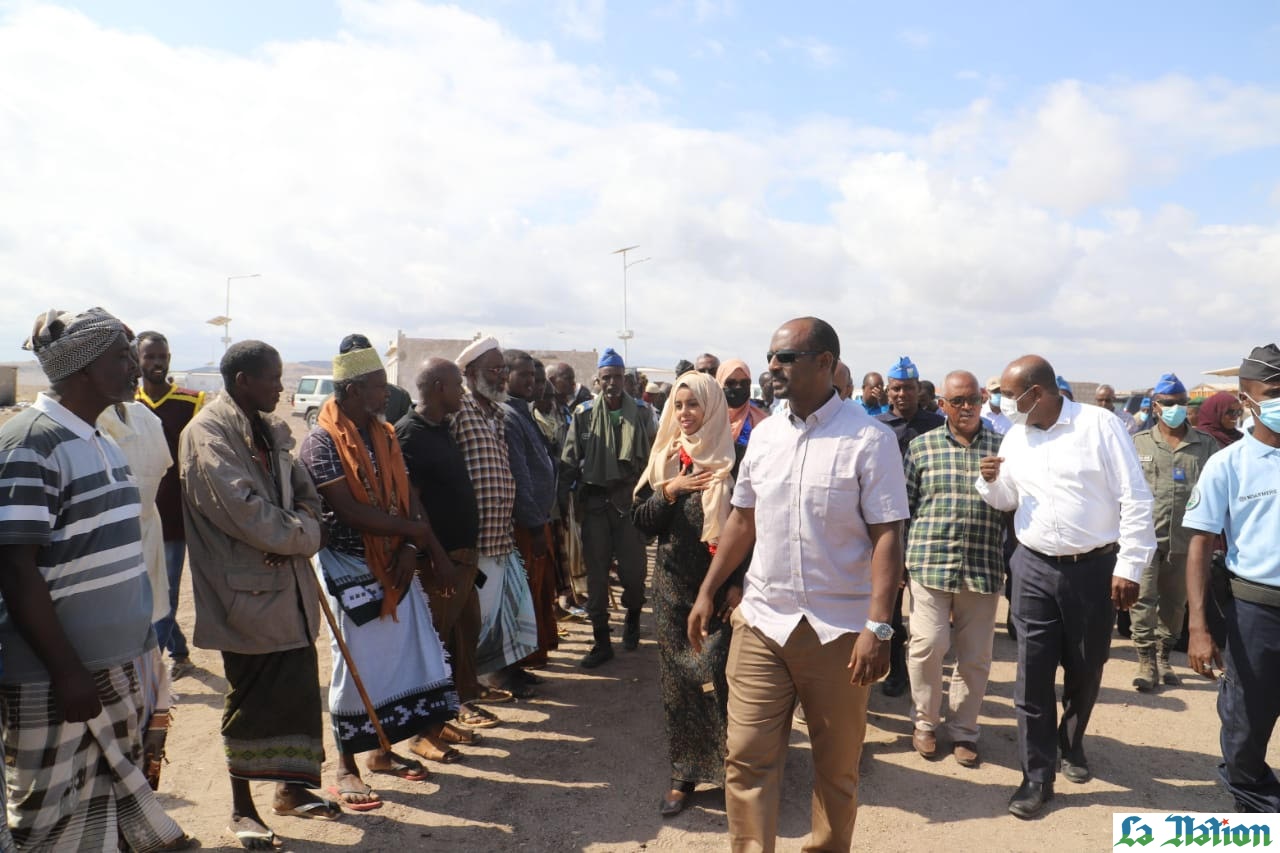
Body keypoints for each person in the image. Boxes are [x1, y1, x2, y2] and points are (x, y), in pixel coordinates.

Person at [688, 317, 908, 852]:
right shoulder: (763, 436)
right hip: (763, 623)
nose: (771, 368)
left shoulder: (869, 440)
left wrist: (879, 626)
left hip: (838, 632)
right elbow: (743, 520)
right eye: (771, 356)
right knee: (745, 758)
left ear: (825, 363)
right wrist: (708, 590)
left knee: (836, 770)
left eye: (784, 357)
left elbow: (887, 537)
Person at [1, 308, 192, 851]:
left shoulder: (103, 440)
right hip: (54, 678)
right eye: (121, 358)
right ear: (83, 370)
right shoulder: (29, 445)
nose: (135, 368)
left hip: (116, 665)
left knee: (103, 819)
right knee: (44, 822)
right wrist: (67, 671)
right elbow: (16, 573)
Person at [977, 355, 1155, 819]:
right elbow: (1008, 500)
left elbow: (1135, 497)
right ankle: (1036, 775)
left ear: (1037, 393)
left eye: (1010, 397)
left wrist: (1130, 566)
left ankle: (1071, 742)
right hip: (1032, 565)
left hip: (1094, 568)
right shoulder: (1016, 436)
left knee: (1086, 665)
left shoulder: (1099, 426)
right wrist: (988, 482)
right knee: (1031, 673)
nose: (1004, 405)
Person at [181, 340, 337, 848]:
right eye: (272, 377)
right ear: (242, 380)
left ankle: (292, 790)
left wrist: (298, 533)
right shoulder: (208, 433)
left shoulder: (270, 430)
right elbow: (245, 512)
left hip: (285, 589)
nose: (280, 385)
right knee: (249, 699)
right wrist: (302, 537)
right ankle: (240, 809)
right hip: (244, 595)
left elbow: (307, 494)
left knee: (292, 692)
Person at [301, 340, 460, 810]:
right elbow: (349, 512)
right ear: (351, 390)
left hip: (394, 560)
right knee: (355, 665)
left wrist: (415, 546)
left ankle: (383, 751)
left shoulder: (385, 432)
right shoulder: (321, 441)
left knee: (399, 658)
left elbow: (408, 496)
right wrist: (414, 532)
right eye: (375, 387)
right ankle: (345, 766)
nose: (383, 394)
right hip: (347, 564)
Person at [631, 372, 741, 817]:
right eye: (678, 406)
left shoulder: (738, 460)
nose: (685, 414)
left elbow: (752, 530)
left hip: (723, 593)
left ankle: (734, 770)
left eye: (693, 405)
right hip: (675, 591)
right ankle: (685, 772)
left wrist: (737, 584)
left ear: (712, 408)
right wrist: (670, 492)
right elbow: (640, 524)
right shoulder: (665, 461)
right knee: (680, 685)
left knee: (723, 680)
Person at [1184, 343, 1280, 813]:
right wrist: (1198, 628)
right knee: (1246, 728)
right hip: (1257, 614)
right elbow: (1200, 544)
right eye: (1277, 391)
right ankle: (1256, 809)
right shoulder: (1228, 464)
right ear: (1248, 399)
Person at [903, 371, 1006, 768]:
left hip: (982, 567)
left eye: (972, 401)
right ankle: (925, 724)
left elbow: (1015, 506)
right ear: (942, 404)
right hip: (929, 564)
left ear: (982, 400)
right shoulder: (921, 447)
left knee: (975, 657)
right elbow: (905, 509)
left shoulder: (1003, 448)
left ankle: (964, 730)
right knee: (928, 645)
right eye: (957, 401)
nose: (966, 408)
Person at [397, 359, 499, 732]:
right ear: (439, 387)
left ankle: (457, 706)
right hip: (440, 559)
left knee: (465, 631)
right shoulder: (409, 434)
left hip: (462, 556)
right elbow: (412, 502)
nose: (462, 393)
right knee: (435, 643)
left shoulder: (443, 428)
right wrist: (436, 555)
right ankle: (428, 728)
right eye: (458, 385)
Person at [97, 387, 177, 790]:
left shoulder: (146, 418)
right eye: (121, 356)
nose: (132, 367)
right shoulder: (81, 428)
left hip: (148, 564)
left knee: (146, 699)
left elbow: (159, 476)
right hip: (100, 585)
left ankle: (142, 804)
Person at [452, 337, 539, 696]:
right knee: (478, 618)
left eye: (503, 369)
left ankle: (498, 674)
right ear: (471, 374)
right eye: (495, 369)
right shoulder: (458, 411)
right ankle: (477, 682)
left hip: (501, 534)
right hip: (475, 538)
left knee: (506, 612)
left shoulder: (498, 414)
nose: (502, 376)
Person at [561, 348, 657, 668]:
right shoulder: (584, 414)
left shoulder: (642, 413)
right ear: (598, 381)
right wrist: (562, 503)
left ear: (626, 380)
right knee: (597, 576)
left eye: (618, 377)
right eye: (606, 378)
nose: (612, 383)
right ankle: (601, 640)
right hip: (596, 505)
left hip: (629, 504)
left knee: (633, 572)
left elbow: (655, 460)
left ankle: (631, 618)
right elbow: (570, 460)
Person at [1128, 373, 1218, 691]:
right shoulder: (1137, 443)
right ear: (1155, 406)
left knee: (1175, 603)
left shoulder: (1205, 445)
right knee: (1143, 599)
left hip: (1187, 541)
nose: (1176, 408)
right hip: (1146, 537)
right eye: (1169, 403)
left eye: (1182, 403)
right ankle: (1145, 661)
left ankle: (1165, 658)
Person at [135, 330, 205, 679]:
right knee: (146, 589)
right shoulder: (125, 405)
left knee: (167, 591)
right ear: (137, 360)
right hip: (138, 514)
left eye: (162, 357)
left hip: (175, 516)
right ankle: (180, 651)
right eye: (150, 357)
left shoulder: (192, 402)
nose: (157, 363)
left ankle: (153, 668)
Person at [877, 356, 946, 697]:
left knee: (924, 610)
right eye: (896, 388)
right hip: (886, 526)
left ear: (919, 390)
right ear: (888, 392)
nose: (902, 394)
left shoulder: (937, 425)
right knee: (888, 608)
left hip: (925, 527)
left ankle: (925, 670)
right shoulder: (877, 427)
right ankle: (893, 666)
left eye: (908, 388)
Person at [501, 350, 559, 673]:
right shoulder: (510, 416)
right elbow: (519, 477)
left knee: (537, 592)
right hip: (528, 525)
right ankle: (515, 666)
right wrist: (536, 526)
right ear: (506, 376)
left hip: (539, 520)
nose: (530, 382)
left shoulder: (523, 413)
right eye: (523, 376)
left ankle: (528, 660)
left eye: (533, 377)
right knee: (524, 595)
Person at [716, 359, 768, 469]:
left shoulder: (763, 421)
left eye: (744, 383)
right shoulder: (707, 419)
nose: (738, 388)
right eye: (731, 383)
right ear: (719, 383)